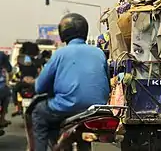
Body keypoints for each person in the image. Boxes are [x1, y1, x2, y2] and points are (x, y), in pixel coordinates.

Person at [32, 13, 110, 151]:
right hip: (95, 110)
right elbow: (107, 83)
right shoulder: (99, 53)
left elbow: (39, 87)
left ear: (63, 33)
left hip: (66, 108)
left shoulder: (60, 54)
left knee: (38, 113)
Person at [11, 42, 41, 116]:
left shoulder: (20, 59)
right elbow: (40, 72)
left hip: (23, 83)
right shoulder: (37, 61)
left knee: (14, 90)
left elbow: (18, 70)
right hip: (34, 83)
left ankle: (17, 108)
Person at [0, 51, 12, 127]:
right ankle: (2, 119)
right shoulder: (1, 55)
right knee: (7, 95)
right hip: (1, 87)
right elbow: (9, 69)